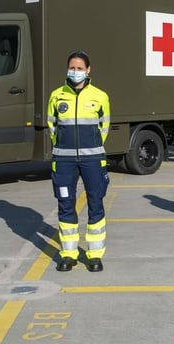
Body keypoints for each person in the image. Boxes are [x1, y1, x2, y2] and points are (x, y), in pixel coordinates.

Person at [47, 51, 110, 273]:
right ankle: (68, 254)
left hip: (93, 159)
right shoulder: (56, 96)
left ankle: (94, 256)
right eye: (72, 68)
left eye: (80, 68)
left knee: (95, 203)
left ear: (88, 70)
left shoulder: (100, 96)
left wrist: (90, 149)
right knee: (65, 205)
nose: (75, 72)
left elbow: (104, 127)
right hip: (64, 161)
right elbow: (52, 127)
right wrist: (63, 148)